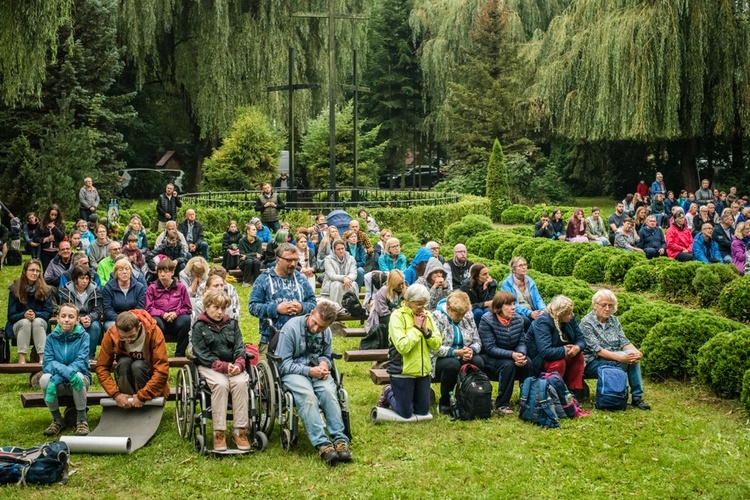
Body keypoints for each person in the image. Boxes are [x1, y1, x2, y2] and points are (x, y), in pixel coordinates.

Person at [276, 301, 352, 464]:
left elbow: (326, 354)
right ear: (311, 313)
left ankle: (340, 439)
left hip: (317, 370)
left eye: (322, 327)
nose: (316, 329)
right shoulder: (291, 329)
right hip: (293, 371)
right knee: (308, 395)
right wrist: (309, 371)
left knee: (329, 393)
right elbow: (283, 365)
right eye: (315, 323)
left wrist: (325, 364)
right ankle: (323, 444)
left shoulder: (326, 333)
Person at [191, 289, 251, 451]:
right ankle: (219, 432)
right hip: (210, 366)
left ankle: (240, 430)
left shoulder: (232, 324)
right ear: (207, 307)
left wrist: (238, 364)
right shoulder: (199, 326)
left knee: (240, 382)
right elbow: (200, 353)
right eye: (215, 308)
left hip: (233, 366)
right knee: (221, 384)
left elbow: (240, 347)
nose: (219, 312)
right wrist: (223, 366)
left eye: (222, 309)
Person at [377, 284, 442, 419]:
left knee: (422, 411)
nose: (422, 308)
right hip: (402, 370)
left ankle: (407, 397)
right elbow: (403, 346)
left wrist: (426, 332)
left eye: (424, 304)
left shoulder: (427, 316)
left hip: (423, 372)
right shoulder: (397, 316)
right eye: (418, 304)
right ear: (408, 301)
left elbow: (437, 344)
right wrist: (417, 329)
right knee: (405, 413)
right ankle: (388, 392)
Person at [579, 290, 651, 410]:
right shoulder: (586, 323)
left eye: (611, 305)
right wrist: (621, 358)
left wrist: (637, 353)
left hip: (613, 358)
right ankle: (622, 395)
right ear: (595, 305)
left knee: (632, 357)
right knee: (626, 359)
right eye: (604, 305)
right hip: (592, 362)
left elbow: (624, 342)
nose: (607, 308)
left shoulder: (614, 320)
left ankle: (637, 398)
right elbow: (598, 351)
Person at [249, 242, 317, 360]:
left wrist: (301, 307)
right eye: (289, 260)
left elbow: (312, 302)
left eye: (296, 260)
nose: (293, 264)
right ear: (278, 260)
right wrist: (276, 309)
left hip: (299, 337)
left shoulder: (300, 278)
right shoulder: (264, 279)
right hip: (271, 338)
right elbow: (253, 307)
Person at [95, 310, 170, 408]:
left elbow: (162, 369)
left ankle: (144, 404)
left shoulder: (153, 332)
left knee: (138, 365)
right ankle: (126, 400)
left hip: (147, 378)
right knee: (124, 362)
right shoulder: (111, 333)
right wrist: (116, 394)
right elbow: (101, 367)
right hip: (125, 373)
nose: (128, 341)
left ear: (139, 327)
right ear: (117, 330)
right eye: (123, 338)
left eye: (131, 336)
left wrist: (142, 396)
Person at [40, 303, 91, 437]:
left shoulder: (84, 337)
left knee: (78, 376)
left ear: (77, 320)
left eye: (71, 316)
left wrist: (62, 374)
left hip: (79, 381)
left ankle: (81, 419)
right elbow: (48, 363)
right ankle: (57, 420)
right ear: (58, 319)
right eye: (63, 316)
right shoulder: (51, 338)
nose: (66, 319)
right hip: (59, 383)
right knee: (45, 379)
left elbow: (81, 362)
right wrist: (64, 375)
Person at [478, 291, 531, 414]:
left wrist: (521, 354)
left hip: (513, 355)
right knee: (508, 365)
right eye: (509, 305)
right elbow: (489, 347)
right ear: (499, 307)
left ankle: (527, 399)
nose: (513, 307)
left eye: (514, 304)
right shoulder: (487, 320)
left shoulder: (518, 319)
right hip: (490, 357)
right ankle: (502, 404)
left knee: (528, 363)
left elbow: (522, 341)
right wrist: (512, 355)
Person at [431, 291, 483, 415]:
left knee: (478, 362)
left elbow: (477, 340)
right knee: (452, 365)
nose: (461, 317)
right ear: (448, 308)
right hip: (440, 357)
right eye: (458, 314)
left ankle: (468, 398)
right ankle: (445, 402)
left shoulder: (468, 315)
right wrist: (455, 352)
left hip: (463, 353)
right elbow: (434, 347)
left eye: (463, 313)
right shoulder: (436, 317)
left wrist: (472, 350)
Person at [526, 295, 585, 400]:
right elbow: (545, 351)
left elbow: (581, 339)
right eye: (569, 313)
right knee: (559, 363)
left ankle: (572, 392)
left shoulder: (570, 319)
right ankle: (554, 392)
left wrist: (577, 347)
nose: (572, 315)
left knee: (578, 357)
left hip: (561, 353)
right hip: (540, 360)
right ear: (561, 314)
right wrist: (564, 350)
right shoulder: (542, 322)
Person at [6, 259, 53, 364]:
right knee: (25, 322)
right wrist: (24, 315)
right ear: (25, 271)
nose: (35, 273)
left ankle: (42, 358)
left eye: (37, 271)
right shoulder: (15, 289)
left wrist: (35, 314)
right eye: (32, 270)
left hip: (39, 324)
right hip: (19, 324)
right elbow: (11, 315)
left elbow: (48, 313)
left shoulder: (45, 289)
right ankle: (21, 359)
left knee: (37, 321)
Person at [146, 258, 192, 358]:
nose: (162, 274)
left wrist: (176, 313)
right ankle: (158, 354)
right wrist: (163, 314)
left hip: (176, 319)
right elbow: (149, 308)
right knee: (154, 321)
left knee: (187, 320)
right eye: (160, 271)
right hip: (160, 319)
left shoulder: (181, 287)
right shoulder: (152, 288)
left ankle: (180, 354)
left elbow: (187, 308)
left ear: (172, 272)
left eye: (166, 271)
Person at [60, 266, 103, 359]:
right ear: (75, 279)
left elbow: (98, 310)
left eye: (87, 278)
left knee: (95, 326)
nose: (85, 281)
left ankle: (90, 355)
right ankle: (73, 355)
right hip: (73, 318)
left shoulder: (95, 290)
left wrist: (89, 318)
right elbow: (65, 309)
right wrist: (79, 319)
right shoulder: (67, 291)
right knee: (73, 326)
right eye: (82, 278)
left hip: (90, 318)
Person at [362, 270, 405, 350]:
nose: (402, 286)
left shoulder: (405, 291)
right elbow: (382, 312)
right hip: (383, 318)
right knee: (390, 321)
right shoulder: (383, 291)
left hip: (400, 316)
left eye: (403, 283)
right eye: (399, 284)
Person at [500, 257, 546, 330]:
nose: (524, 267)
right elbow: (512, 304)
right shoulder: (506, 284)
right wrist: (529, 313)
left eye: (525, 264)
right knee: (525, 321)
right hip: (517, 312)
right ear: (513, 269)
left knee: (545, 318)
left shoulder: (530, 282)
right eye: (520, 265)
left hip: (533, 311)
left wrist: (543, 310)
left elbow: (538, 299)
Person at [101, 259, 147, 330]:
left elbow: (140, 308)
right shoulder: (108, 288)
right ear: (116, 273)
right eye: (121, 270)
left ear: (130, 271)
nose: (124, 272)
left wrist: (130, 319)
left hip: (134, 318)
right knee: (115, 328)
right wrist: (122, 319)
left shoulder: (139, 287)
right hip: (114, 319)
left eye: (127, 269)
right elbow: (107, 310)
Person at [321, 239, 358, 307]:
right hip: (331, 282)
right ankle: (337, 308)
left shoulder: (351, 258)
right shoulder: (328, 259)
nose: (341, 251)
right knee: (337, 285)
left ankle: (354, 307)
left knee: (354, 284)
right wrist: (343, 278)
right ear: (334, 250)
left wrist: (347, 279)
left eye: (342, 248)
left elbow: (354, 273)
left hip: (347, 281)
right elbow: (331, 275)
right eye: (338, 249)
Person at [461, 263, 498, 327]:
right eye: (484, 274)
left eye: (487, 273)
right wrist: (483, 304)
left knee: (488, 311)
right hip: (472, 308)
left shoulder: (492, 283)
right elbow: (466, 305)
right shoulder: (466, 286)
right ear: (476, 277)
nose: (487, 276)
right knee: (478, 312)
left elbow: (490, 302)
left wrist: (485, 288)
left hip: (484, 307)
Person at [36, 205, 66, 271]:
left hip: (57, 251)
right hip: (45, 252)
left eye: (55, 215)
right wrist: (46, 239)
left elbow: (62, 236)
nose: (53, 217)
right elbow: (36, 238)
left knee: (57, 270)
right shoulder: (41, 224)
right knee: (46, 271)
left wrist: (54, 227)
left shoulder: (61, 224)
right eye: (51, 215)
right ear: (48, 214)